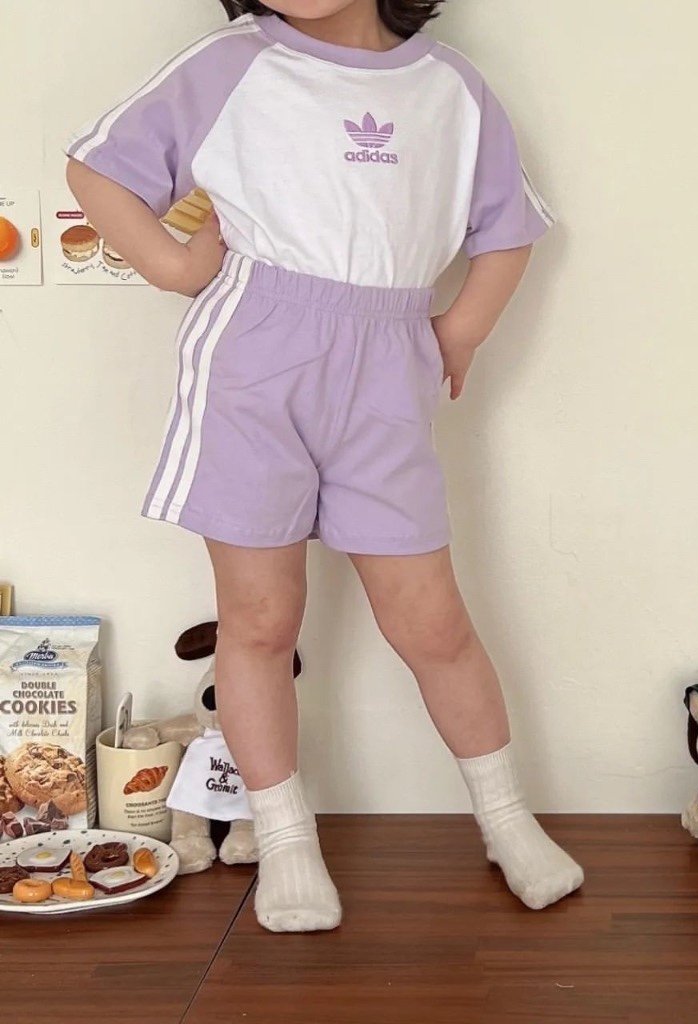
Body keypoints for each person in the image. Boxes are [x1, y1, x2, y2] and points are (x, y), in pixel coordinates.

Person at [66, 0, 583, 933]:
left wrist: (461, 330)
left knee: (432, 621)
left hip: (390, 363)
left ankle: (507, 818)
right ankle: (286, 839)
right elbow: (97, 167)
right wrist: (175, 268)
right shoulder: (231, 61)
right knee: (261, 618)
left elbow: (509, 226)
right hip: (254, 359)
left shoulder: (450, 87)